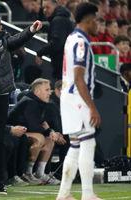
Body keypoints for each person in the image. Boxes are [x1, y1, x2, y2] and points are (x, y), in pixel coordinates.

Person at [0, 12, 42, 195]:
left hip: (0, 97)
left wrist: (31, 30)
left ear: (0, 28)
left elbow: (18, 39)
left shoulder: (5, 40)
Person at [56, 3, 102, 200]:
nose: (98, 25)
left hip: (68, 96)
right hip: (78, 97)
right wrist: (92, 107)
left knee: (75, 145)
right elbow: (79, 76)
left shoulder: (71, 38)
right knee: (88, 142)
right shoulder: (81, 42)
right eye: (97, 20)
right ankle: (87, 194)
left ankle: (64, 193)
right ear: (89, 19)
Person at [8, 78, 64, 185]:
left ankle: (40, 173)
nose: (50, 92)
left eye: (50, 89)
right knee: (40, 137)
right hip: (13, 132)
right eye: (47, 90)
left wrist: (51, 132)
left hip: (26, 131)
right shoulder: (29, 102)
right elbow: (34, 126)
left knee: (50, 139)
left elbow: (42, 122)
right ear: (37, 91)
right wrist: (49, 132)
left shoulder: (40, 102)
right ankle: (28, 173)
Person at [35, 0, 74, 80]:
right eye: (43, 8)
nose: (45, 10)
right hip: (67, 63)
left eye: (47, 7)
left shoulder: (58, 20)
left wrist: (40, 52)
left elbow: (57, 42)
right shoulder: (61, 19)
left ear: (56, 6)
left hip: (64, 65)